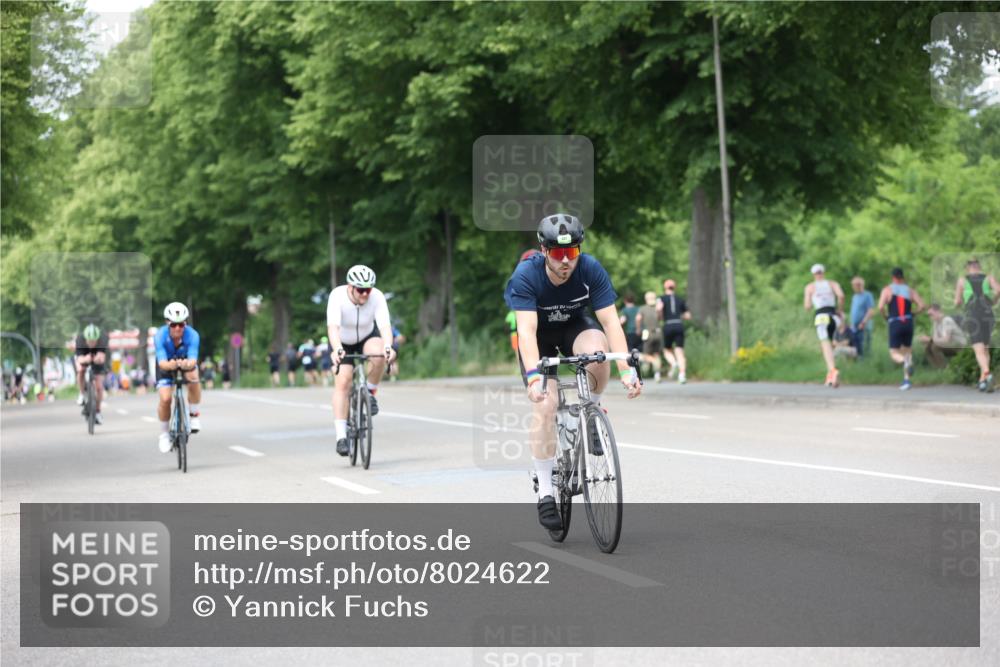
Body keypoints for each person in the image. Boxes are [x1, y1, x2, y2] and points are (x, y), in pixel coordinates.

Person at [504, 213, 641, 532]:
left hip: (574, 329)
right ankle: (547, 491)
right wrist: (535, 378)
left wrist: (626, 369)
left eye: (572, 253)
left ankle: (590, 408)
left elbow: (610, 322)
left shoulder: (590, 269)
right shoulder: (526, 275)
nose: (566, 261)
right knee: (546, 406)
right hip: (539, 338)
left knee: (598, 351)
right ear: (543, 250)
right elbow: (526, 332)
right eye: (557, 253)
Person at [328, 264, 395, 456]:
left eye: (369, 289)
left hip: (367, 336)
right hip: (342, 341)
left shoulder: (377, 297)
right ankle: (341, 436)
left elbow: (385, 327)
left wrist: (389, 347)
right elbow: (333, 328)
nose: (366, 294)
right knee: (344, 380)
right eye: (361, 290)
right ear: (350, 287)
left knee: (379, 353)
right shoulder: (337, 296)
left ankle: (371, 392)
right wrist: (337, 350)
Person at [154, 302, 202, 453]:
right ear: (167, 323)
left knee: (193, 376)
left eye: (181, 325)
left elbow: (193, 360)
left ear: (185, 323)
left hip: (186, 363)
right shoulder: (160, 336)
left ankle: (193, 415)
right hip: (166, 366)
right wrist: (172, 365)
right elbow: (162, 363)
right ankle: (163, 434)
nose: (177, 329)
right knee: (166, 399)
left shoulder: (193, 335)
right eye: (174, 325)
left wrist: (186, 364)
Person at [877, 267, 926, 391]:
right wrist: (913, 313)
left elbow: (881, 307)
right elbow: (922, 306)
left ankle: (905, 362)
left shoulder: (887, 290)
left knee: (894, 352)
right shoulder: (910, 291)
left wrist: (885, 317)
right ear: (902, 277)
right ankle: (906, 381)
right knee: (907, 351)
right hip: (908, 322)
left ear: (893, 277)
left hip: (895, 322)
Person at [954, 258, 998, 391]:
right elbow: (999, 290)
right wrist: (993, 301)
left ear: (968, 268)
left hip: (973, 315)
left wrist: (958, 302)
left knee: (978, 350)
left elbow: (957, 301)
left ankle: (987, 373)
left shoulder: (962, 280)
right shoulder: (989, 278)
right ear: (979, 266)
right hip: (988, 314)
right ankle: (983, 381)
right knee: (985, 348)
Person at [803, 264, 846, 387]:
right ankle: (830, 376)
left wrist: (811, 302)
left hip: (821, 316)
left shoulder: (810, 287)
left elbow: (807, 306)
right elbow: (841, 296)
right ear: (823, 272)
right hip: (834, 316)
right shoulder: (832, 284)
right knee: (830, 344)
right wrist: (840, 310)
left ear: (813, 274)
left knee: (824, 343)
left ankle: (832, 370)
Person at [657, 279, 691, 383]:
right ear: (674, 287)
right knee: (679, 351)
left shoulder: (661, 299)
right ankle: (682, 375)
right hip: (679, 324)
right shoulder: (680, 299)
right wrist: (679, 315)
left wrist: (660, 316)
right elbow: (688, 316)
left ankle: (673, 363)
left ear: (665, 287)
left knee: (667, 350)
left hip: (668, 325)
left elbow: (658, 309)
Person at [74, 323, 110, 424]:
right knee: (80, 370)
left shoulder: (103, 339)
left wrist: (97, 359)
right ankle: (81, 393)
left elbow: (102, 357)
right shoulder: (80, 339)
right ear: (85, 339)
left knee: (99, 386)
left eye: (94, 341)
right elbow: (79, 359)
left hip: (97, 357)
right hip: (84, 356)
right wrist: (85, 359)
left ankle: (98, 411)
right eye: (89, 341)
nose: (92, 343)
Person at [917, 304, 968, 369]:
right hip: (950, 344)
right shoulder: (936, 323)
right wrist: (928, 340)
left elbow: (946, 339)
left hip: (959, 344)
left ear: (938, 311)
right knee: (928, 347)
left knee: (935, 346)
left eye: (931, 314)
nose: (930, 316)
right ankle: (939, 369)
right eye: (928, 315)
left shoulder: (947, 320)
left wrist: (929, 339)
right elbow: (935, 338)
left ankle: (946, 368)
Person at [636, 291, 663, 382]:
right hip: (658, 333)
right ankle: (657, 374)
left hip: (648, 333)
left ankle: (647, 368)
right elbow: (660, 318)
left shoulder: (643, 308)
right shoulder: (658, 308)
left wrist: (638, 328)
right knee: (656, 354)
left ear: (646, 299)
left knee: (646, 354)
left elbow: (638, 318)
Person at [848, 276, 876, 358]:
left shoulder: (867, 295)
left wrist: (863, 322)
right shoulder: (855, 296)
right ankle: (858, 362)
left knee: (864, 346)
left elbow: (870, 311)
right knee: (856, 346)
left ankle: (866, 362)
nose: (853, 287)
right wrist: (851, 323)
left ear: (860, 285)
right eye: (853, 285)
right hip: (855, 326)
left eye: (855, 285)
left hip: (864, 325)